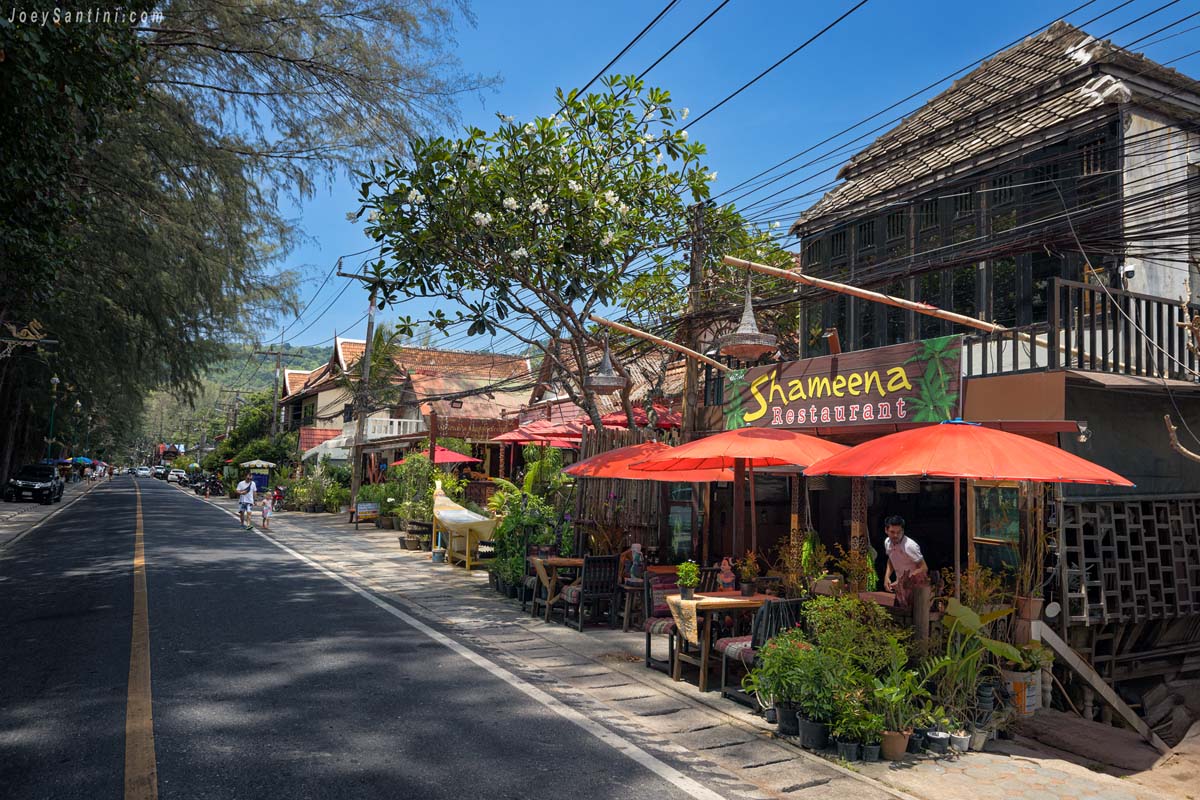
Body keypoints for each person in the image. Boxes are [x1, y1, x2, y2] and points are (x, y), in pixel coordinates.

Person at [882, 515, 928, 602]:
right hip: (900, 590)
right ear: (886, 530)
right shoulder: (887, 542)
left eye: (898, 532)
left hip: (916, 590)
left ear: (903, 531)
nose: (895, 535)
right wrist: (887, 576)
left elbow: (924, 568)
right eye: (892, 532)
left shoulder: (910, 546)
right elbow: (891, 559)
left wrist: (905, 581)